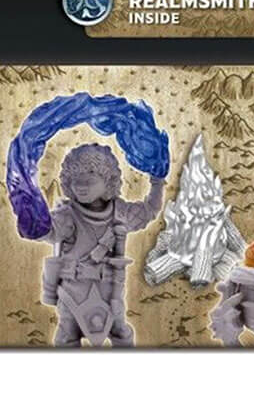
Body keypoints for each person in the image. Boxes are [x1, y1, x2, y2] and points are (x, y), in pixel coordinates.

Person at [31, 143, 164, 347]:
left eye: (89, 180)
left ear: (108, 180)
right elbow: (44, 230)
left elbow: (149, 211)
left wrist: (157, 181)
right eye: (76, 180)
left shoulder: (121, 213)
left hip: (111, 294)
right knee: (67, 334)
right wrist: (28, 209)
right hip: (72, 294)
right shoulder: (67, 216)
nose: (81, 186)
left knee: (121, 332)